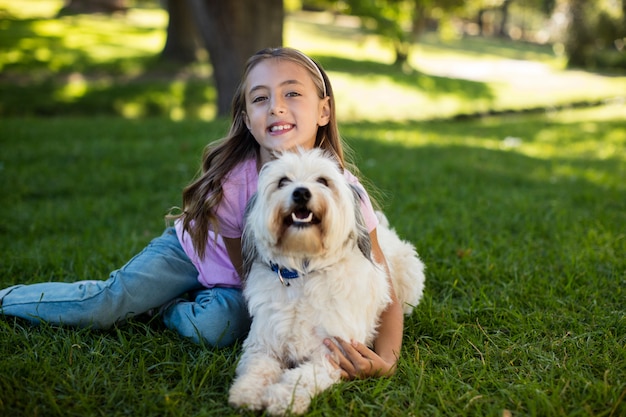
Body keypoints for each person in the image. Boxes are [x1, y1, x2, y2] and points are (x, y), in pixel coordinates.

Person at [0, 47, 404, 380]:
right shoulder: (233, 185)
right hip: (194, 254)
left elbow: (383, 285)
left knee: (217, 328)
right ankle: (7, 299)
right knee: (108, 303)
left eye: (292, 94)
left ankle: (167, 308)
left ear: (324, 110)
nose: (276, 108)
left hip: (250, 285)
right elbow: (247, 273)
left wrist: (385, 360)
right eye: (260, 98)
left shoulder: (345, 193)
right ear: (248, 119)